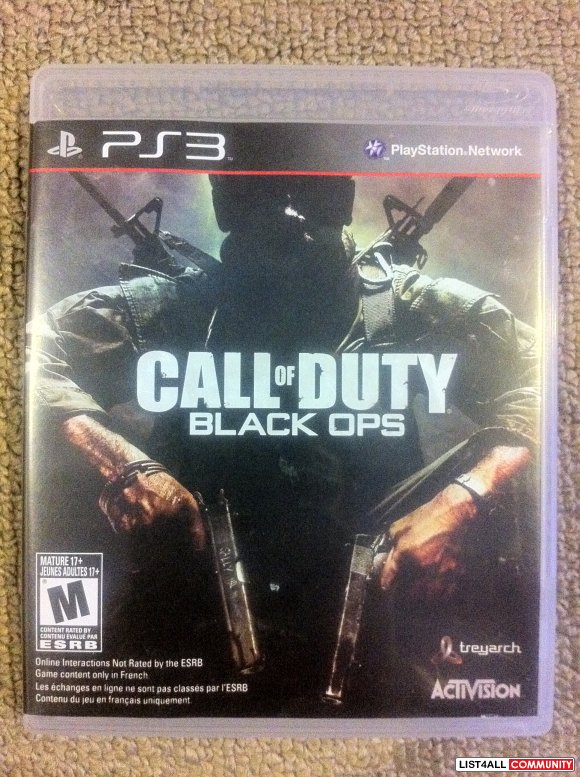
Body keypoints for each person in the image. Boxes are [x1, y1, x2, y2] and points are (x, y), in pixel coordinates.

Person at [26, 174, 539, 711]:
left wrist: (465, 500)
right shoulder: (174, 305)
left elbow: (552, 374)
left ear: (343, 199)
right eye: (259, 195)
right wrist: (123, 467)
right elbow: (28, 353)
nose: (291, 215)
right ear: (226, 204)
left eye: (315, 194)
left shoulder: (405, 304)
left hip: (377, 629)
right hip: (198, 634)